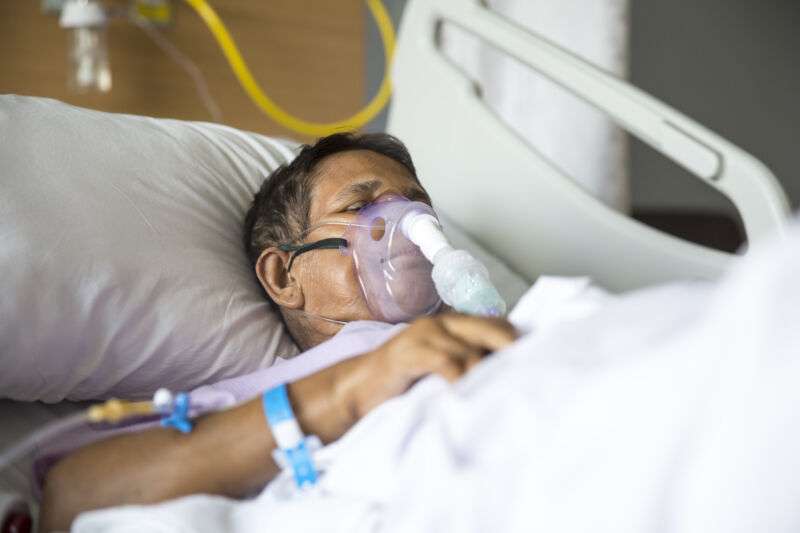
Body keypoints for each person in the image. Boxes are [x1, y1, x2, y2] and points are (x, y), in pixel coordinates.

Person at [39, 133, 517, 531]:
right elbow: (73, 495)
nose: (408, 223)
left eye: (416, 203)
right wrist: (348, 390)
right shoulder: (284, 390)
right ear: (285, 278)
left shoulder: (490, 322)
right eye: (360, 205)